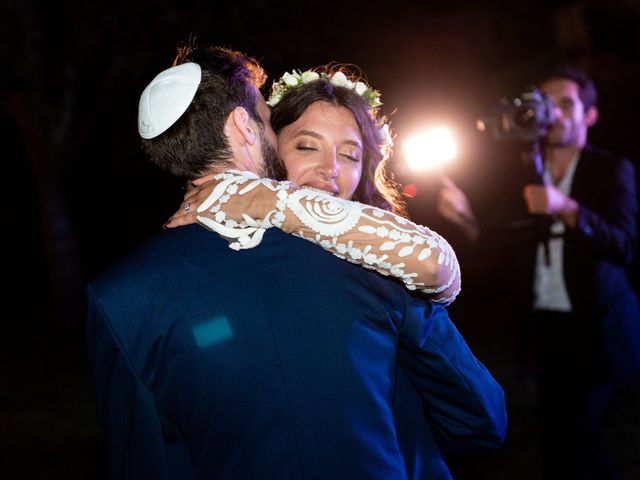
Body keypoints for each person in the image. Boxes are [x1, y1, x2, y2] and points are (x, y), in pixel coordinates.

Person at [87, 44, 506, 480]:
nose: (331, 170)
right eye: (306, 146)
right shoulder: (381, 270)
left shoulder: (121, 295)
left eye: (350, 154)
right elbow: (478, 421)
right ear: (254, 134)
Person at [437, 66, 640, 478]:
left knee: (583, 443)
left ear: (589, 115)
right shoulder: (523, 171)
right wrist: (464, 220)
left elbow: (623, 247)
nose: (555, 113)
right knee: (557, 442)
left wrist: (565, 208)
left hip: (598, 330)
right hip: (545, 329)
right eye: (548, 103)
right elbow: (500, 250)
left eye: (567, 103)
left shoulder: (611, 170)